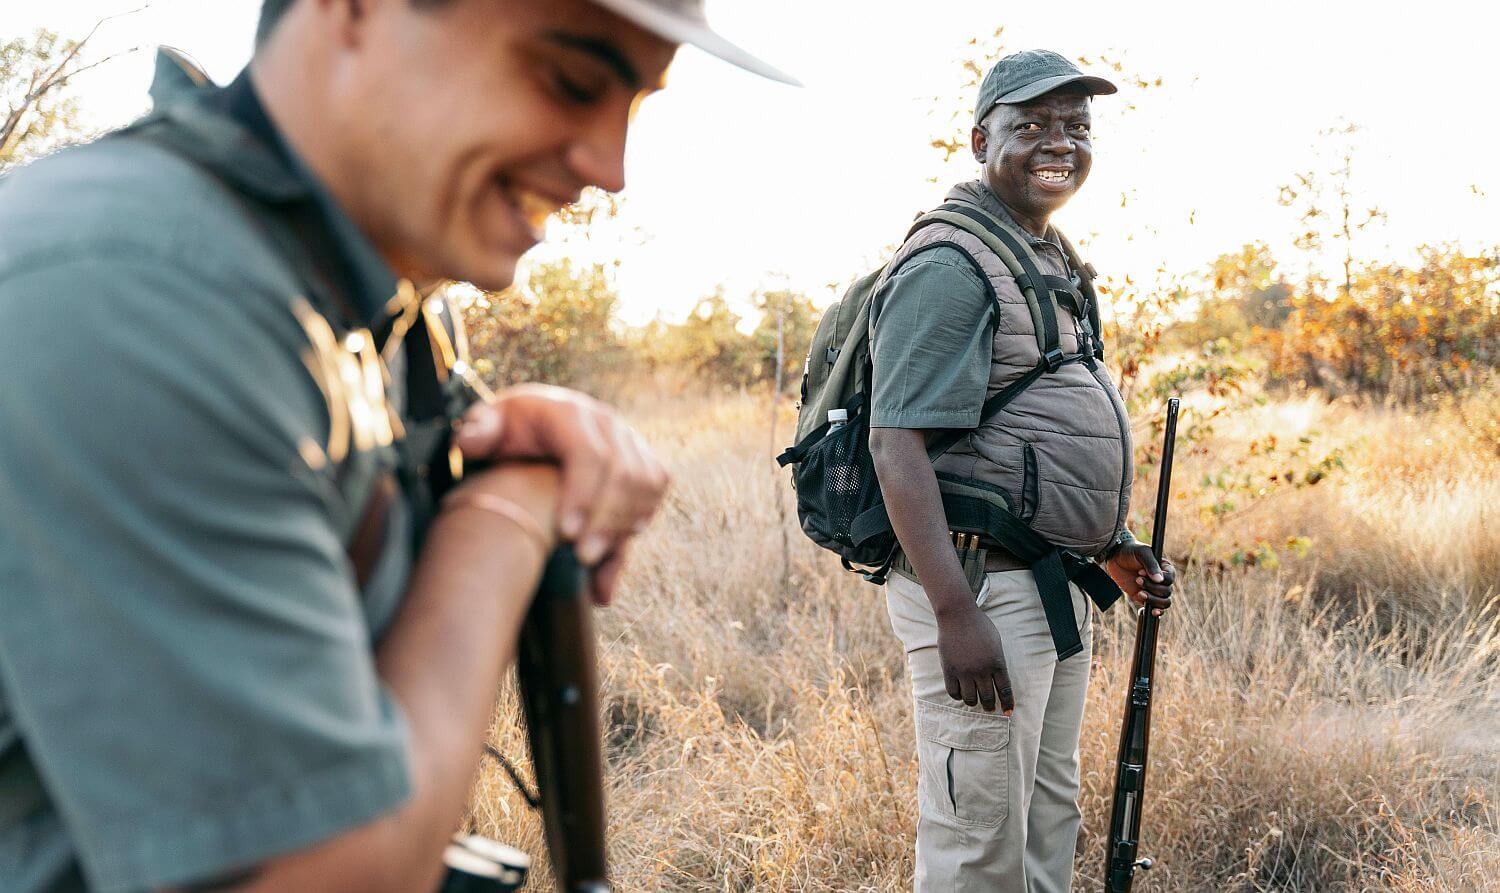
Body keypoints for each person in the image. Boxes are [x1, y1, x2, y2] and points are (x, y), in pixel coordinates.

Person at [0, 1, 793, 891]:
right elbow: (318, 872)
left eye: (637, 105)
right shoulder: (130, 289)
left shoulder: (370, 286)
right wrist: (509, 509)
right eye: (572, 80)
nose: (608, 168)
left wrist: (526, 430)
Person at [866, 50, 1177, 892]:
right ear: (979, 139)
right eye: (1031, 124)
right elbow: (896, 448)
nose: (1059, 143)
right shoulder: (948, 265)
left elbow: (1021, 428)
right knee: (979, 842)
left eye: (1076, 126)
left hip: (1047, 585)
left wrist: (1107, 540)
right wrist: (954, 613)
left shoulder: (1048, 257)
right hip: (980, 593)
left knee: (1044, 820)